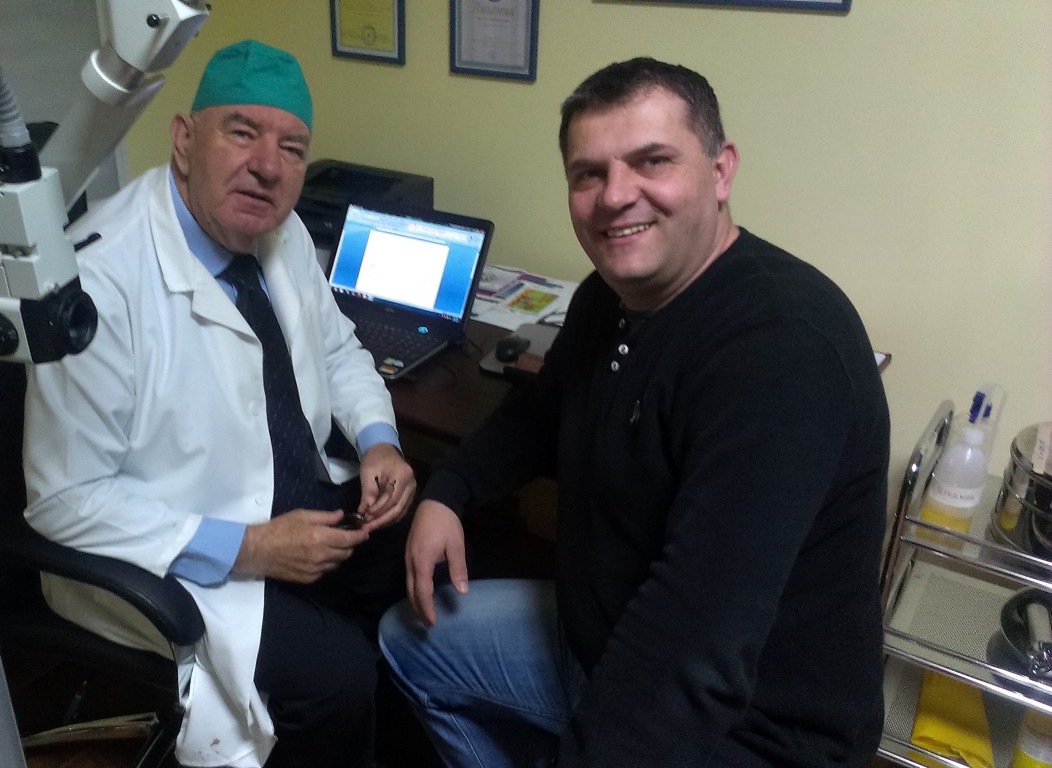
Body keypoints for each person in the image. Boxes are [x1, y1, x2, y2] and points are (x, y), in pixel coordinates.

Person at [378, 57, 889, 767]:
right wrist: (450, 490)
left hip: (749, 724)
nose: (616, 195)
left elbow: (691, 644)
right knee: (407, 640)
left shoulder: (781, 350)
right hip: (602, 637)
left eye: (653, 161)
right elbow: (540, 413)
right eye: (589, 174)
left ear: (720, 171)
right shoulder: (607, 299)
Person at [22, 39, 416, 768]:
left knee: (414, 550)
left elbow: (337, 350)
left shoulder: (281, 232)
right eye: (242, 132)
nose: (268, 166)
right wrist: (253, 548)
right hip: (177, 546)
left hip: (292, 497)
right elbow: (64, 502)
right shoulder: (95, 282)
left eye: (292, 148)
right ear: (183, 139)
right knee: (334, 681)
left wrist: (378, 441)